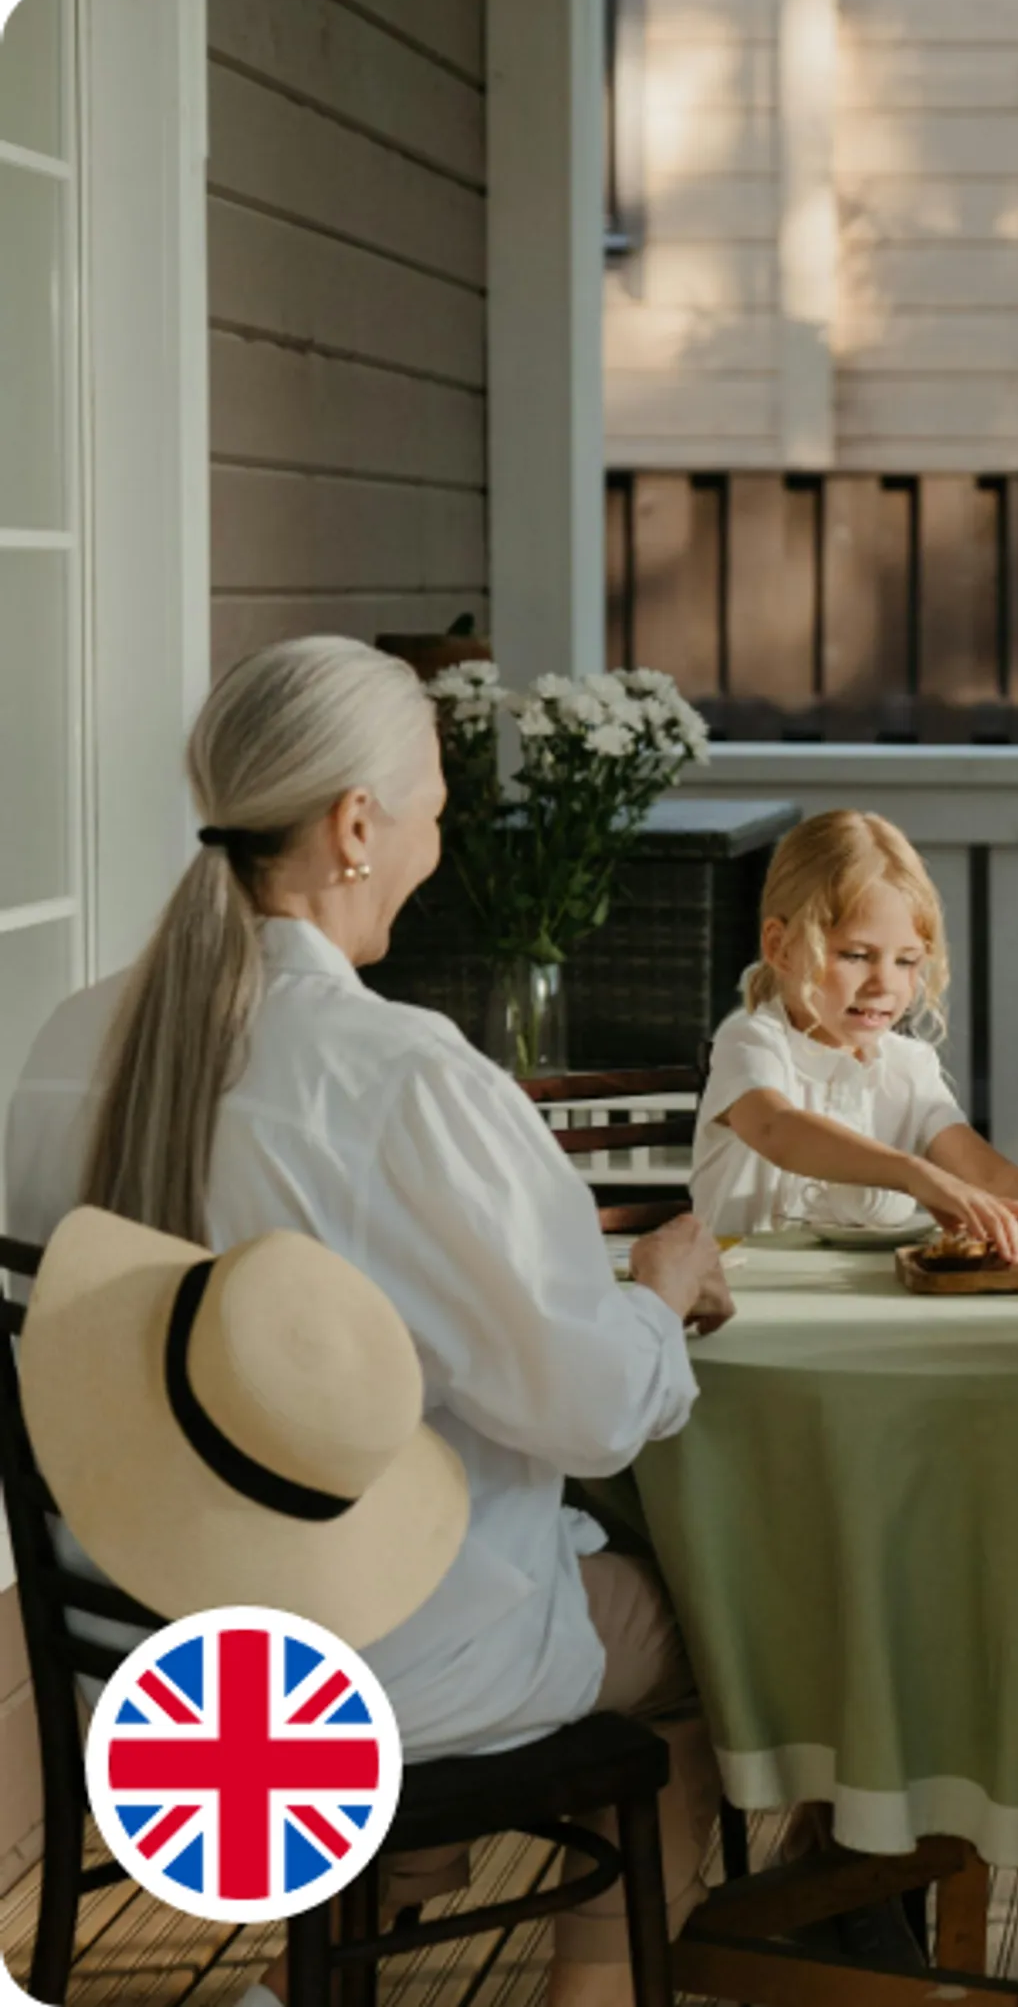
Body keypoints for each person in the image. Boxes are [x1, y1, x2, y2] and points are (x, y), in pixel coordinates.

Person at [4, 637, 730, 2007]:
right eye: (436, 815)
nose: (433, 847)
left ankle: (315, 1969)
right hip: (332, 1689)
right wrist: (661, 1294)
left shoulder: (64, 1044)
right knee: (720, 1633)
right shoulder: (398, 1078)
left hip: (138, 1673)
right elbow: (585, 1406)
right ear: (353, 826)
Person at [691, 810, 1018, 1256]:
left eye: (906, 961)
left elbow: (984, 1172)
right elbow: (777, 1129)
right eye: (856, 955)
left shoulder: (908, 1067)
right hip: (740, 1300)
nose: (884, 984)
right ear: (780, 947)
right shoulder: (751, 1040)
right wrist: (915, 1173)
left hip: (863, 1302)